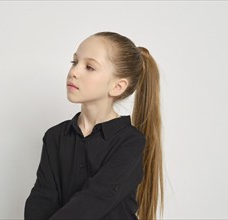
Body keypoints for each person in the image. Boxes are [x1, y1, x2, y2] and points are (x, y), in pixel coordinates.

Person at [24, 31, 164, 220]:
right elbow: (42, 198)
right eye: (74, 62)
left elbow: (95, 199)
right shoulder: (55, 136)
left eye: (89, 67)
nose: (74, 72)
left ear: (118, 86)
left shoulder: (130, 142)